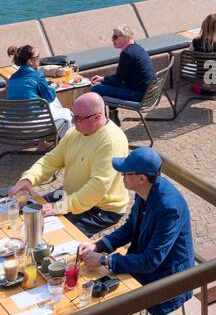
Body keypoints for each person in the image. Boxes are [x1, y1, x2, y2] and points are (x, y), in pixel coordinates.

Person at [78, 146, 194, 315]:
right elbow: (131, 228)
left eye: (125, 174)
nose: (121, 177)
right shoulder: (146, 193)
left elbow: (152, 261)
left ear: (141, 178)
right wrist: (99, 245)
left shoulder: (168, 206)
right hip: (146, 266)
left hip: (165, 278)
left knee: (96, 301)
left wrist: (105, 260)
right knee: (92, 296)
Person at [9, 92, 131, 237]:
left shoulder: (110, 142)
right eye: (73, 116)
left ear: (97, 117)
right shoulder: (76, 131)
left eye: (78, 119)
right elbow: (51, 160)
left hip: (101, 209)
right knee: (25, 214)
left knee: (50, 235)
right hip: (71, 196)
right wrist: (28, 179)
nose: (72, 122)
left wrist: (60, 207)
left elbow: (97, 187)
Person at [5, 43, 73, 136]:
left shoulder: (12, 78)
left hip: (14, 124)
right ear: (29, 61)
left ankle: (43, 143)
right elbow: (50, 98)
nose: (39, 59)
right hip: (33, 125)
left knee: (47, 106)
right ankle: (67, 145)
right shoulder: (37, 75)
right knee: (67, 113)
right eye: (37, 56)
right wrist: (52, 88)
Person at [90, 25, 155, 113]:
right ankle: (113, 115)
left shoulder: (127, 54)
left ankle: (100, 120)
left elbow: (117, 80)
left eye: (115, 37)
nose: (113, 40)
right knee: (108, 85)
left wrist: (102, 81)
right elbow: (121, 76)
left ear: (126, 37)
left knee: (96, 89)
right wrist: (103, 79)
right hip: (147, 92)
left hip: (139, 94)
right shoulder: (137, 48)